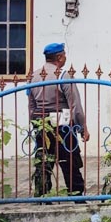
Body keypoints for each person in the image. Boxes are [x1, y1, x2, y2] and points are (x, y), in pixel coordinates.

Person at [28, 43, 90, 196]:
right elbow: (75, 105)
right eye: (64, 55)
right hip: (63, 124)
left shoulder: (34, 76)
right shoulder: (63, 76)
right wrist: (82, 128)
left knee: (44, 161)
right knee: (70, 160)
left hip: (42, 123)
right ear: (59, 57)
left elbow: (31, 105)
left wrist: (35, 124)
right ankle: (75, 194)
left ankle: (42, 195)